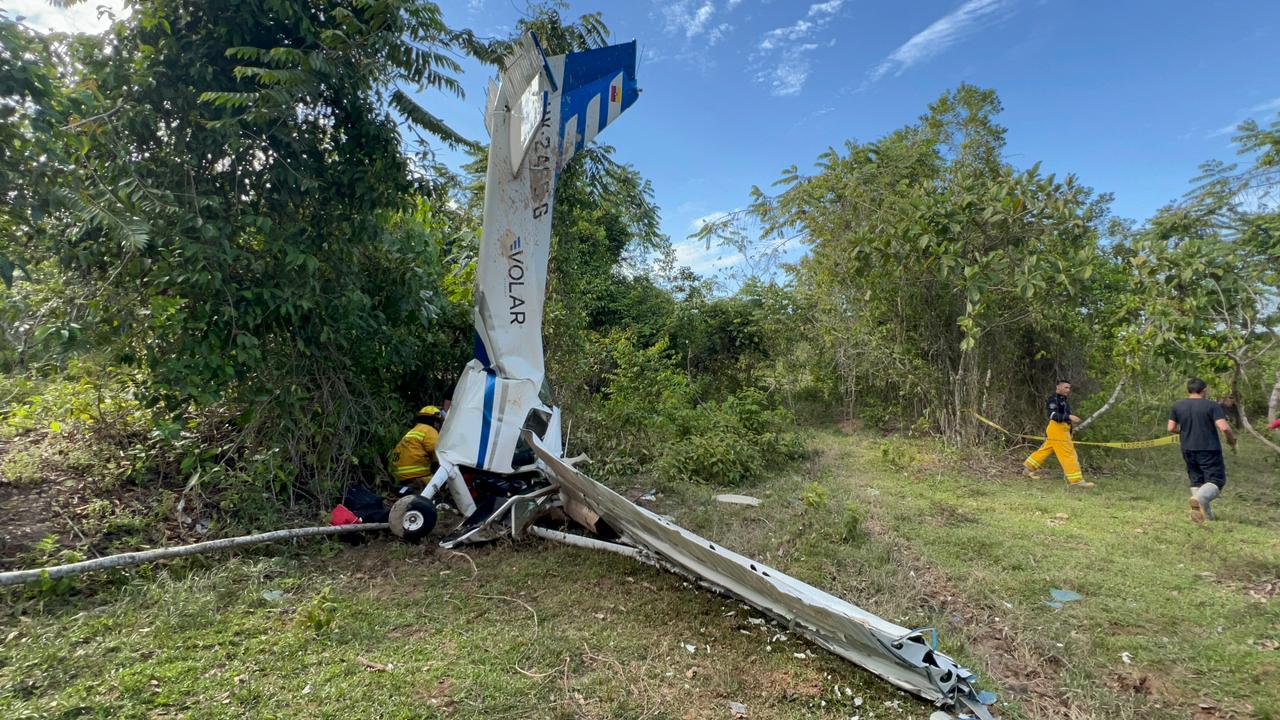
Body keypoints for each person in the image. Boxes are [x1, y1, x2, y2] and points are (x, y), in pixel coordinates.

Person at [1168, 378, 1236, 523]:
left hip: (1187, 448)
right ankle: (1198, 499)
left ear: (1188, 390)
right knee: (1216, 481)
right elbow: (1224, 427)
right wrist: (1231, 440)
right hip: (1209, 449)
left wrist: (1186, 431)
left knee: (1197, 480)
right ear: (1204, 390)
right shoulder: (1212, 406)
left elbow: (1171, 428)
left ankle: (1207, 516)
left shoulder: (1178, 405)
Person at [1023, 380, 1093, 489]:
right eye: (1066, 387)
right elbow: (1052, 415)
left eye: (1069, 388)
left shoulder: (1064, 401)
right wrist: (1069, 417)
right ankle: (1076, 481)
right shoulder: (1053, 399)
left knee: (1047, 449)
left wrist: (1069, 430)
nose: (1068, 390)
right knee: (1068, 453)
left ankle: (1028, 468)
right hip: (1057, 429)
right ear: (1058, 387)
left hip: (1062, 430)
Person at [390, 405, 445, 489]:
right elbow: (438, 449)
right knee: (444, 479)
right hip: (415, 475)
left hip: (399, 476)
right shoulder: (429, 430)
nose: (439, 426)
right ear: (435, 421)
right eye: (439, 422)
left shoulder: (413, 431)